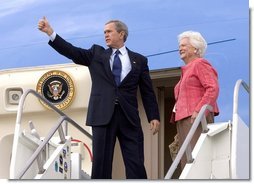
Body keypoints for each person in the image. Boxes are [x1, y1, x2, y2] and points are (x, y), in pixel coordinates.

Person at [38, 17, 160, 179]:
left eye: (109, 31)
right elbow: (72, 51)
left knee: (135, 161)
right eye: (104, 32)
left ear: (121, 34)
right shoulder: (96, 54)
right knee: (101, 163)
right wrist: (50, 33)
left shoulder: (140, 60)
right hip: (102, 116)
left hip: (129, 118)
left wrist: (154, 116)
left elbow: (147, 91)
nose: (106, 35)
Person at [171, 31, 219, 170]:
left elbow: (212, 88)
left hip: (195, 117)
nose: (180, 48)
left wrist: (199, 111)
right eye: (180, 45)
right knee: (186, 161)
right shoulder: (186, 69)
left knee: (194, 160)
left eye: (185, 45)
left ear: (196, 49)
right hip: (184, 119)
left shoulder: (200, 63)